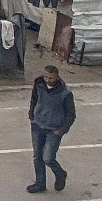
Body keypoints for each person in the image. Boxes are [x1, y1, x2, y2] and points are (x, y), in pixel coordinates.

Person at [27, 65, 76, 193]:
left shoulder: (65, 93)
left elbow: (71, 114)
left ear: (57, 76)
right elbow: (34, 99)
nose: (47, 80)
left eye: (51, 78)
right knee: (37, 156)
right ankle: (40, 183)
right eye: (45, 77)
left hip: (54, 129)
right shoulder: (38, 84)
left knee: (47, 158)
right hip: (37, 125)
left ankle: (60, 174)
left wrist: (61, 130)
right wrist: (31, 115)